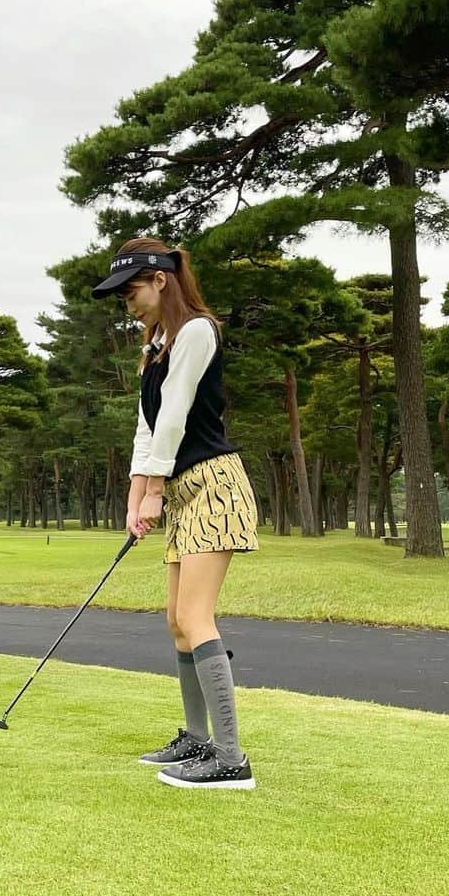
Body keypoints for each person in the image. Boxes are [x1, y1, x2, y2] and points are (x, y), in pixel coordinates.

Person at [91, 236, 260, 790]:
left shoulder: (196, 331)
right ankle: (196, 738)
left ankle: (231, 757)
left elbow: (178, 415)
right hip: (184, 489)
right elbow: (147, 426)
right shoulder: (156, 344)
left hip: (214, 485)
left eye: (131, 291)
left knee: (195, 618)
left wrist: (154, 492)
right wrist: (135, 494)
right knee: (175, 621)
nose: (127, 303)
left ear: (160, 279)